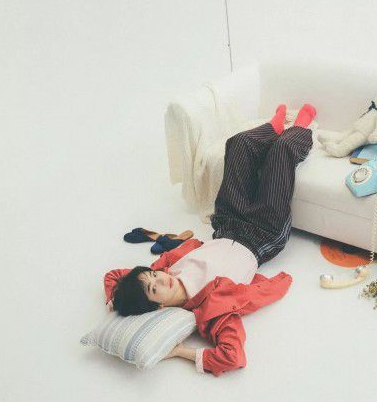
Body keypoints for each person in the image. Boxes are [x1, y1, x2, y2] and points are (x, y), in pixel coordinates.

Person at [103, 102, 316, 376]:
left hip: (228, 221)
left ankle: (273, 127)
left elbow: (113, 276)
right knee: (282, 151)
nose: (160, 279)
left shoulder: (167, 270)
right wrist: (181, 352)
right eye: (154, 289)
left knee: (238, 144)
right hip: (263, 233)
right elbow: (233, 357)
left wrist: (115, 303)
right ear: (158, 306)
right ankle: (299, 129)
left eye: (153, 276)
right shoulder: (210, 311)